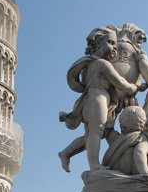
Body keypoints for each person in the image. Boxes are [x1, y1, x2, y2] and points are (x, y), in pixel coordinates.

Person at [59, 27, 138, 172]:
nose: (114, 47)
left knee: (92, 134)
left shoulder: (88, 64)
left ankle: (66, 153)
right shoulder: (102, 64)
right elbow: (120, 82)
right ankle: (94, 165)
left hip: (91, 100)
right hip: (98, 99)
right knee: (96, 132)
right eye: (110, 42)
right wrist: (133, 88)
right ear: (98, 43)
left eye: (115, 44)